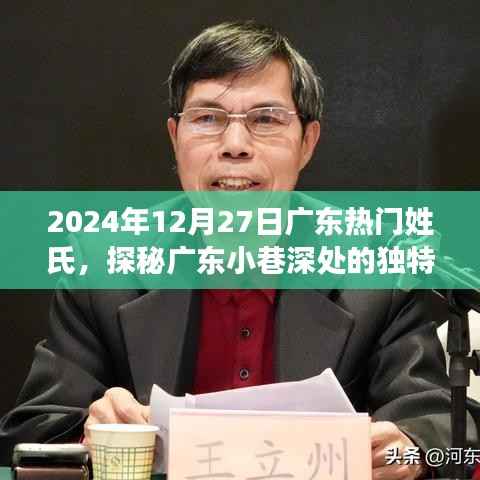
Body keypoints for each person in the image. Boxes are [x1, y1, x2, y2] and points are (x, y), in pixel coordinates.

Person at [1, 21, 479, 479]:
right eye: (207, 118)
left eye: (265, 119)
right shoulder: (105, 262)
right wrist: (91, 434)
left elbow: (439, 423)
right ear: (175, 138)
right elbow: (34, 432)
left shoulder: (373, 265)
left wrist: (411, 450)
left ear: (308, 142)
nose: (235, 145)